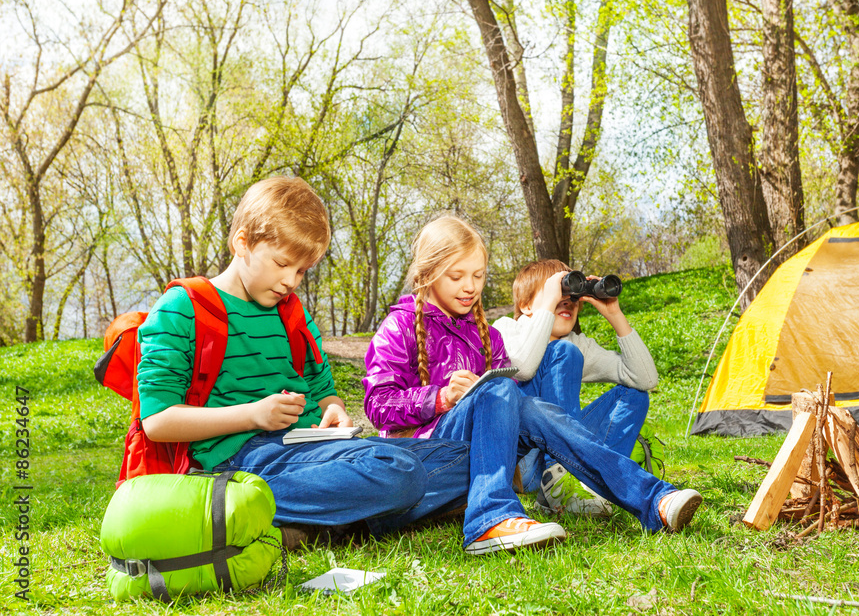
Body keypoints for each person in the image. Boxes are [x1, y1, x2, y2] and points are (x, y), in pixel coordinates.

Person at [137, 176, 469, 548]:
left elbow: (325, 393)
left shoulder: (292, 314)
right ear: (242, 242)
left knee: (465, 457)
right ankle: (304, 513)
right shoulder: (182, 309)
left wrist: (335, 413)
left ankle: (326, 522)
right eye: (282, 264)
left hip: (312, 447)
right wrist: (254, 415)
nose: (290, 281)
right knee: (402, 473)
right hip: (242, 461)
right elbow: (158, 421)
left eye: (301, 271)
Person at [363, 214, 702, 556]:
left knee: (523, 403)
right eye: (457, 276)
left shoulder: (486, 335)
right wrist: (441, 397)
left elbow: (517, 404)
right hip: (429, 453)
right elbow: (377, 404)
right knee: (501, 389)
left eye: (478, 276)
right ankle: (490, 517)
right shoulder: (400, 325)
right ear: (428, 274)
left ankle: (654, 500)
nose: (470, 286)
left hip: (486, 452)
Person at [493, 260, 656, 515]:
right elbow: (523, 367)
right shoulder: (506, 329)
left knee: (634, 395)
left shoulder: (577, 344)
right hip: (520, 462)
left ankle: (597, 486)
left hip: (569, 451)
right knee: (562, 352)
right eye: (558, 294)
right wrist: (548, 309)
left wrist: (615, 315)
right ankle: (558, 482)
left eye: (573, 296)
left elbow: (645, 378)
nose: (568, 301)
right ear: (526, 306)